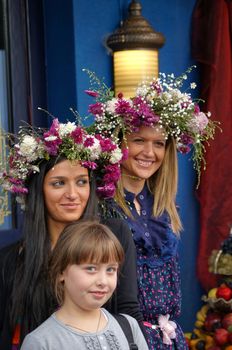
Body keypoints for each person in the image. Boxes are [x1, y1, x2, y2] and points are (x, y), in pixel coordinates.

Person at [86, 67, 218, 349]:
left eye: (159, 143)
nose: (149, 152)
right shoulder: (100, 205)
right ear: (118, 143)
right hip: (122, 336)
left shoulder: (165, 207)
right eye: (138, 141)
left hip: (167, 336)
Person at [0, 119, 144, 349]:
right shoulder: (12, 260)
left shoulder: (113, 234)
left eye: (81, 182)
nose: (72, 194)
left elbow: (128, 311)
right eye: (58, 183)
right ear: (38, 190)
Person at [20, 220, 149, 350]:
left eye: (110, 270)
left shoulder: (129, 327)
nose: (103, 281)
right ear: (61, 271)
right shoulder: (41, 342)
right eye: (91, 269)